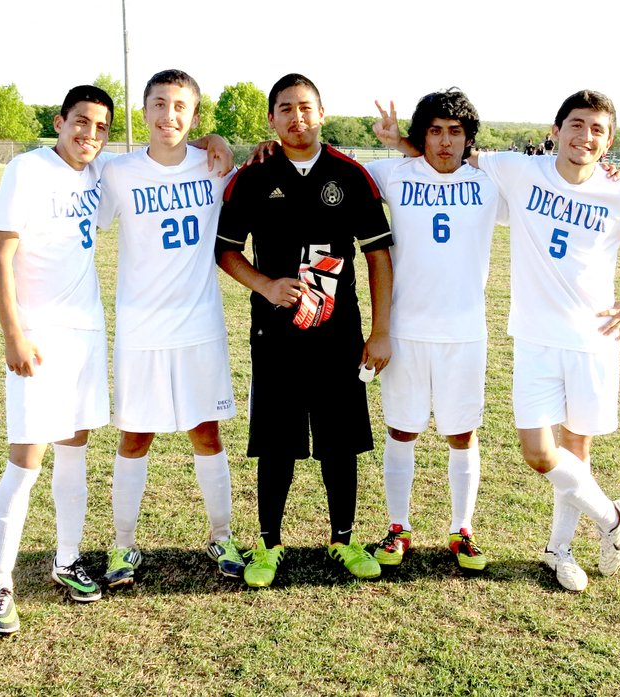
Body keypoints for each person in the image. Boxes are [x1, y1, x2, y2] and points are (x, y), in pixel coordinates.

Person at [376, 89, 620, 592]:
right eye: (576, 125)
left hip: (578, 337)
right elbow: (434, 159)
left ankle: (547, 546)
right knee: (523, 451)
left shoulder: (600, 191)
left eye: (597, 129)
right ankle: (608, 516)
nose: (585, 136)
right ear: (556, 131)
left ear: (608, 141)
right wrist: (404, 144)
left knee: (567, 446)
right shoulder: (505, 171)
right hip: (518, 338)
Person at [215, 73, 393, 588]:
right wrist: (266, 286)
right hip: (275, 336)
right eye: (286, 109)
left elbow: (378, 254)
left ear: (321, 114)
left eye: (306, 108)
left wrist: (380, 332)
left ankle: (343, 539)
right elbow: (226, 251)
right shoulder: (252, 176)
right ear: (271, 119)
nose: (297, 117)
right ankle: (268, 545)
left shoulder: (351, 175)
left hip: (339, 335)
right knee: (275, 443)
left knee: (341, 441)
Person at [97, 69, 244, 587]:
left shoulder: (215, 165)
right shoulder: (117, 172)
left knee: (207, 432)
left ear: (195, 116)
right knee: (135, 437)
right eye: (159, 104)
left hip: (199, 326)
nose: (169, 116)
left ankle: (222, 536)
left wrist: (219, 142)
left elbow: (253, 160)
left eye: (180, 106)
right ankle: (122, 546)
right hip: (141, 331)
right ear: (144, 112)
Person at [0, 85, 115, 634]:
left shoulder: (97, 175)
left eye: (101, 127)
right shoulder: (28, 169)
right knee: (26, 460)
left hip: (85, 332)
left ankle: (66, 559)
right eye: (80, 122)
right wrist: (14, 334)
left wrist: (212, 139)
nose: (89, 135)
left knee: (75, 449)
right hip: (38, 337)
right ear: (60, 122)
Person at [366, 90, 506, 572]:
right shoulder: (392, 173)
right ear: (420, 135)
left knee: (461, 433)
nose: (445, 141)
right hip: (405, 329)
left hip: (465, 332)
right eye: (435, 131)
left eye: (455, 132)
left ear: (468, 139)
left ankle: (462, 529)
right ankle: (398, 525)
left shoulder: (490, 182)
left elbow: (556, 181)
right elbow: (325, 160)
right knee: (401, 429)